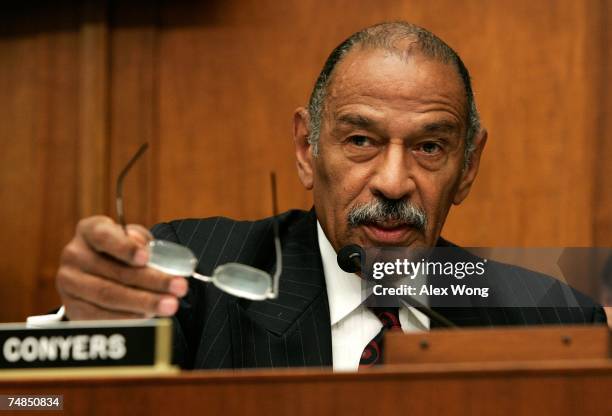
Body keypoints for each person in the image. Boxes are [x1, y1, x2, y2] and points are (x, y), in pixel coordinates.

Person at [52, 22, 606, 371]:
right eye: (360, 140)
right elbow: (35, 404)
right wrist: (84, 329)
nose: (393, 182)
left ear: (468, 167)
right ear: (306, 148)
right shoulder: (196, 274)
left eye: (430, 146)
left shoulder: (549, 317)